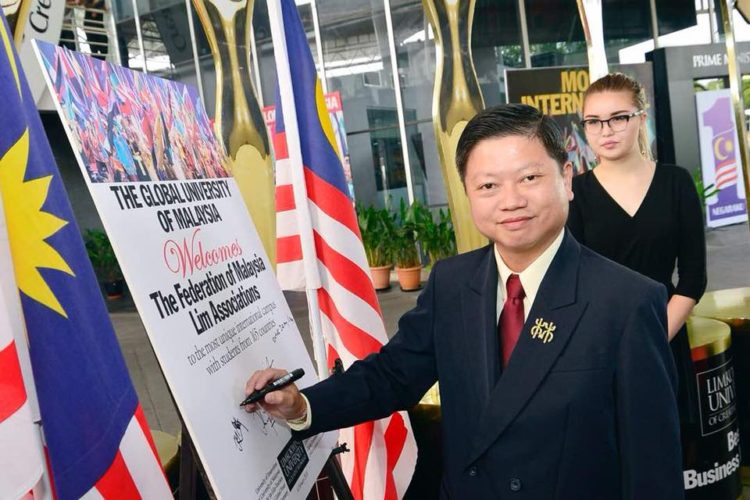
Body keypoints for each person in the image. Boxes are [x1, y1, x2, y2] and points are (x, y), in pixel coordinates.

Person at [245, 104, 683, 498]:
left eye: (529, 178)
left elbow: (652, 466)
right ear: (469, 193)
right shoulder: (452, 283)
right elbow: (393, 375)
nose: (511, 201)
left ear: (566, 179)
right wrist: (303, 405)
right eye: (489, 185)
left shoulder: (626, 301)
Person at [567, 73, 707, 426]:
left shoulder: (676, 182)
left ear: (641, 119)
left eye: (618, 118)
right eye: (594, 121)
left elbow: (693, 277)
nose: (606, 131)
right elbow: (571, 279)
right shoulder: (574, 194)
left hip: (664, 328)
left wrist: (653, 339)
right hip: (600, 341)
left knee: (668, 438)